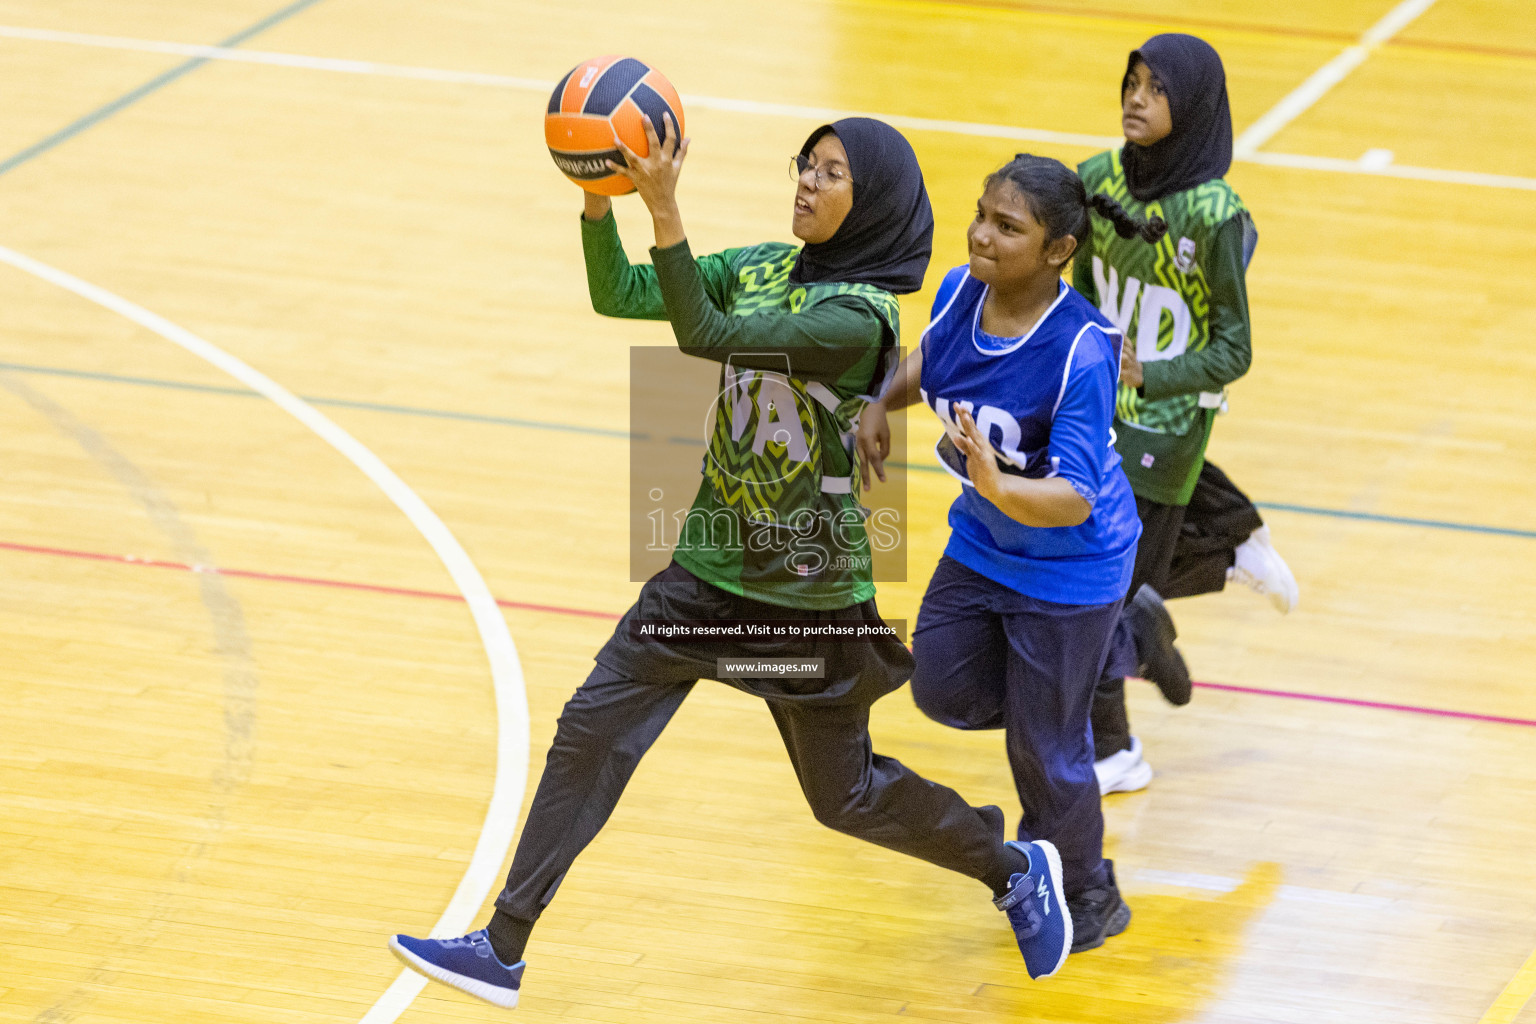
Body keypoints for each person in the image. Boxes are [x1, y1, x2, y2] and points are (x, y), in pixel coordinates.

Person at [388, 116, 1080, 1010]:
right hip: (702, 576)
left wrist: (667, 208)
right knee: (591, 729)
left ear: (870, 207)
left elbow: (706, 334)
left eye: (832, 175)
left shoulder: (859, 320)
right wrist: (602, 203)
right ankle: (504, 945)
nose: (806, 182)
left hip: (800, 604)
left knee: (846, 799)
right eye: (806, 164)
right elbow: (624, 294)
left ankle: (1013, 867)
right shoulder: (763, 264)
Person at [858, 153, 1158, 955]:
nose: (981, 236)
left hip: (1072, 567)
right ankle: (1114, 650)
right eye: (981, 216)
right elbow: (931, 366)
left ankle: (1092, 891)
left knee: (1046, 748)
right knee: (940, 687)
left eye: (1007, 227)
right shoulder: (962, 292)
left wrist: (995, 486)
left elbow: (1073, 498)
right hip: (985, 549)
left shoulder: (1080, 351)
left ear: (1057, 250)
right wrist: (877, 401)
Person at [1078, 33, 1300, 795]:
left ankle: (1114, 751)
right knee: (1092, 591)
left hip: (1168, 425)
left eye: (1157, 89)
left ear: (1195, 106)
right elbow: (1074, 292)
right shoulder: (1095, 178)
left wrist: (1154, 371)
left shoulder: (1214, 213)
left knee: (1097, 599)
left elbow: (1233, 349)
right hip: (1090, 415)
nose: (1136, 97)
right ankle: (1222, 558)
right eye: (1131, 81)